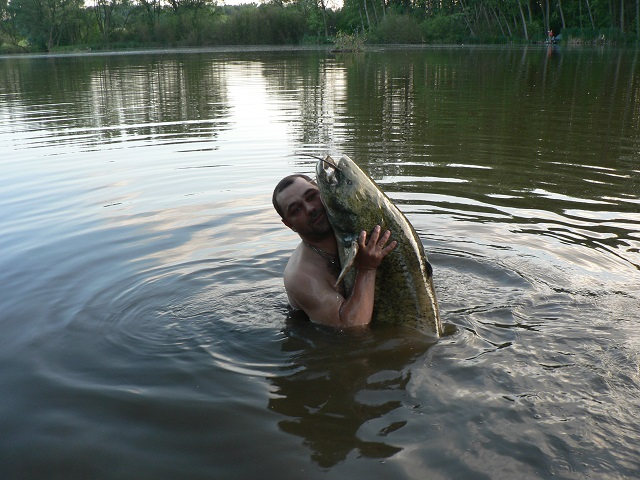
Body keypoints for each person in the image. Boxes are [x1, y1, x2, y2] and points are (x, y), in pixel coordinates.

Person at [272, 174, 396, 329]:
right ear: (289, 224)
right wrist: (367, 269)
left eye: (312, 196)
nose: (310, 209)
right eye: (296, 210)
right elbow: (352, 329)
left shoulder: (354, 230)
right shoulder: (300, 276)